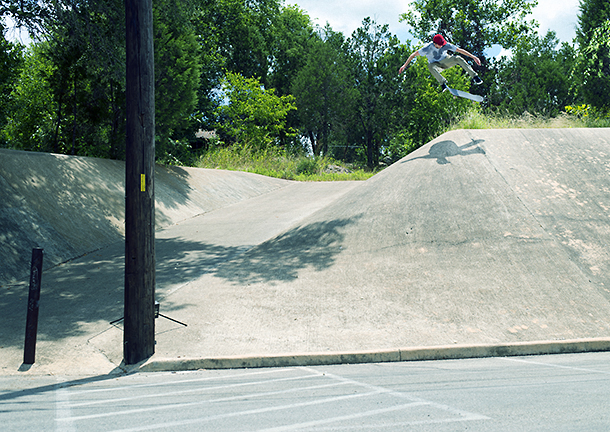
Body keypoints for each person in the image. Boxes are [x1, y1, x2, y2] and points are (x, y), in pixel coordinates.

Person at [399, 34, 483, 91]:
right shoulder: (427, 48)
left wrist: (473, 57)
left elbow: (460, 50)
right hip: (437, 66)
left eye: (442, 44)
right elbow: (413, 55)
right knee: (430, 66)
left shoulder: (446, 45)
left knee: (458, 58)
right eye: (440, 45)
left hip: (446, 61)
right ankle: (443, 84)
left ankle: (475, 76)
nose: (442, 46)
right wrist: (404, 65)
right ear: (435, 44)